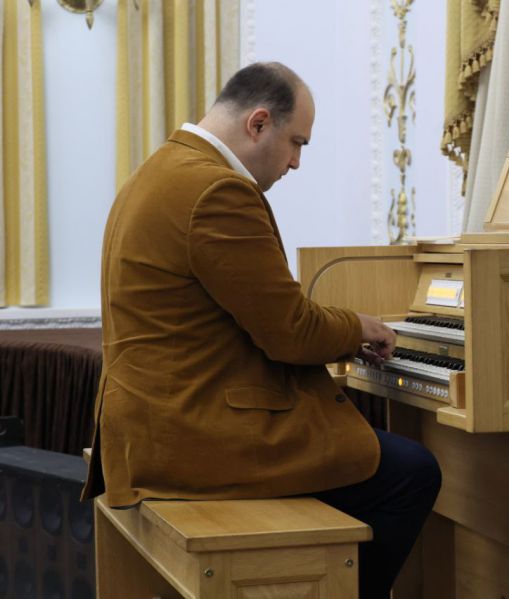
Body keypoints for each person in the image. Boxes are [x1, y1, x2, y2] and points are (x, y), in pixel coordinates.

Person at [81, 61, 441, 599]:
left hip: (147, 426)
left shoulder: (159, 170)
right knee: (412, 472)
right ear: (258, 123)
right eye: (297, 143)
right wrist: (359, 328)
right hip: (191, 435)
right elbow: (289, 331)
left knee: (367, 450)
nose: (296, 162)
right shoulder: (217, 191)